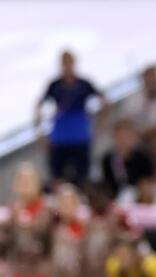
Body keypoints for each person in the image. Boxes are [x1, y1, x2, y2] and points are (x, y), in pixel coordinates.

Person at [35, 50, 107, 186]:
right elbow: (39, 106)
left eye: (69, 61)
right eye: (64, 62)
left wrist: (97, 126)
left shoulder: (84, 84)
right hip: (59, 139)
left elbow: (105, 102)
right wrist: (40, 133)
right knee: (58, 180)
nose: (67, 65)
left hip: (80, 138)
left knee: (83, 179)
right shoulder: (54, 85)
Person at [99, 118, 156, 200]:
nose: (123, 140)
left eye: (126, 136)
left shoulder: (142, 157)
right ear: (114, 137)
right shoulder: (109, 159)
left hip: (139, 198)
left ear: (133, 136)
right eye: (120, 137)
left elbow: (147, 183)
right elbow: (106, 185)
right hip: (116, 199)